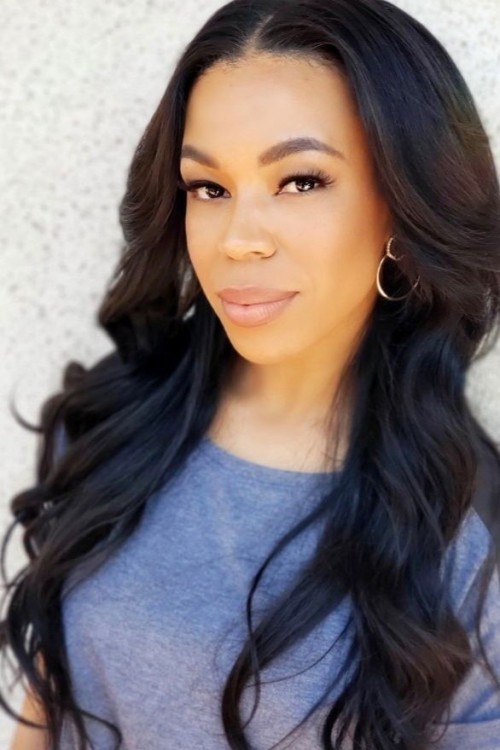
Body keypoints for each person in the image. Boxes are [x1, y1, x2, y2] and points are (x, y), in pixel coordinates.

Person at [3, 0, 500, 748]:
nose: (238, 239)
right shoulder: (117, 417)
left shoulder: (464, 537)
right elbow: (49, 705)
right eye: (209, 188)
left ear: (403, 207)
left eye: (300, 181)